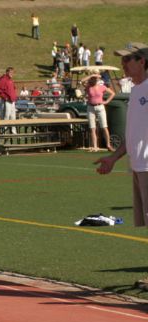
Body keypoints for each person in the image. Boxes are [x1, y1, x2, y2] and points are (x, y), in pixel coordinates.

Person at [94, 42, 148, 289]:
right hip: (138, 166)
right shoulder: (136, 91)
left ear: (143, 61)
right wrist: (113, 158)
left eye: (129, 59)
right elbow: (133, 134)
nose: (124, 64)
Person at [83, 74, 114, 152]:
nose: (91, 83)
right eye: (90, 82)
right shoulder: (88, 87)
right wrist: (91, 75)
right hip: (90, 108)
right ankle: (95, 147)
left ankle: (108, 145)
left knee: (104, 127)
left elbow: (112, 93)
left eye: (92, 82)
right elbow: (82, 81)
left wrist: (106, 101)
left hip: (100, 107)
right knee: (92, 128)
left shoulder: (101, 87)